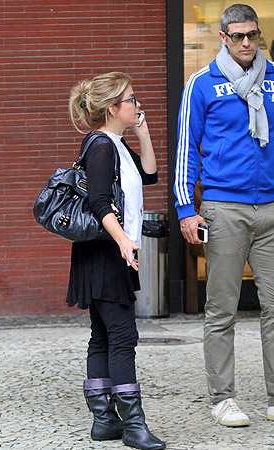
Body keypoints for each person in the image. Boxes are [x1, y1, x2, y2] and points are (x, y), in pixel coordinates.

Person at [173, 4, 274, 427]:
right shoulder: (201, 84)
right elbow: (187, 148)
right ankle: (223, 399)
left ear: (259, 36)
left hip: (273, 211)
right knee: (221, 310)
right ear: (222, 37)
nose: (246, 43)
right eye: (238, 36)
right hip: (223, 209)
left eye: (253, 35)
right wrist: (186, 208)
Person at [66, 72, 165, 450]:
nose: (138, 105)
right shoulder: (101, 147)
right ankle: (133, 426)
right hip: (108, 253)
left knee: (104, 336)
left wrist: (142, 133)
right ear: (113, 108)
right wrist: (123, 240)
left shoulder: (116, 144)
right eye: (132, 100)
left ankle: (104, 422)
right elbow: (99, 201)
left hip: (106, 252)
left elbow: (151, 176)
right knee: (122, 337)